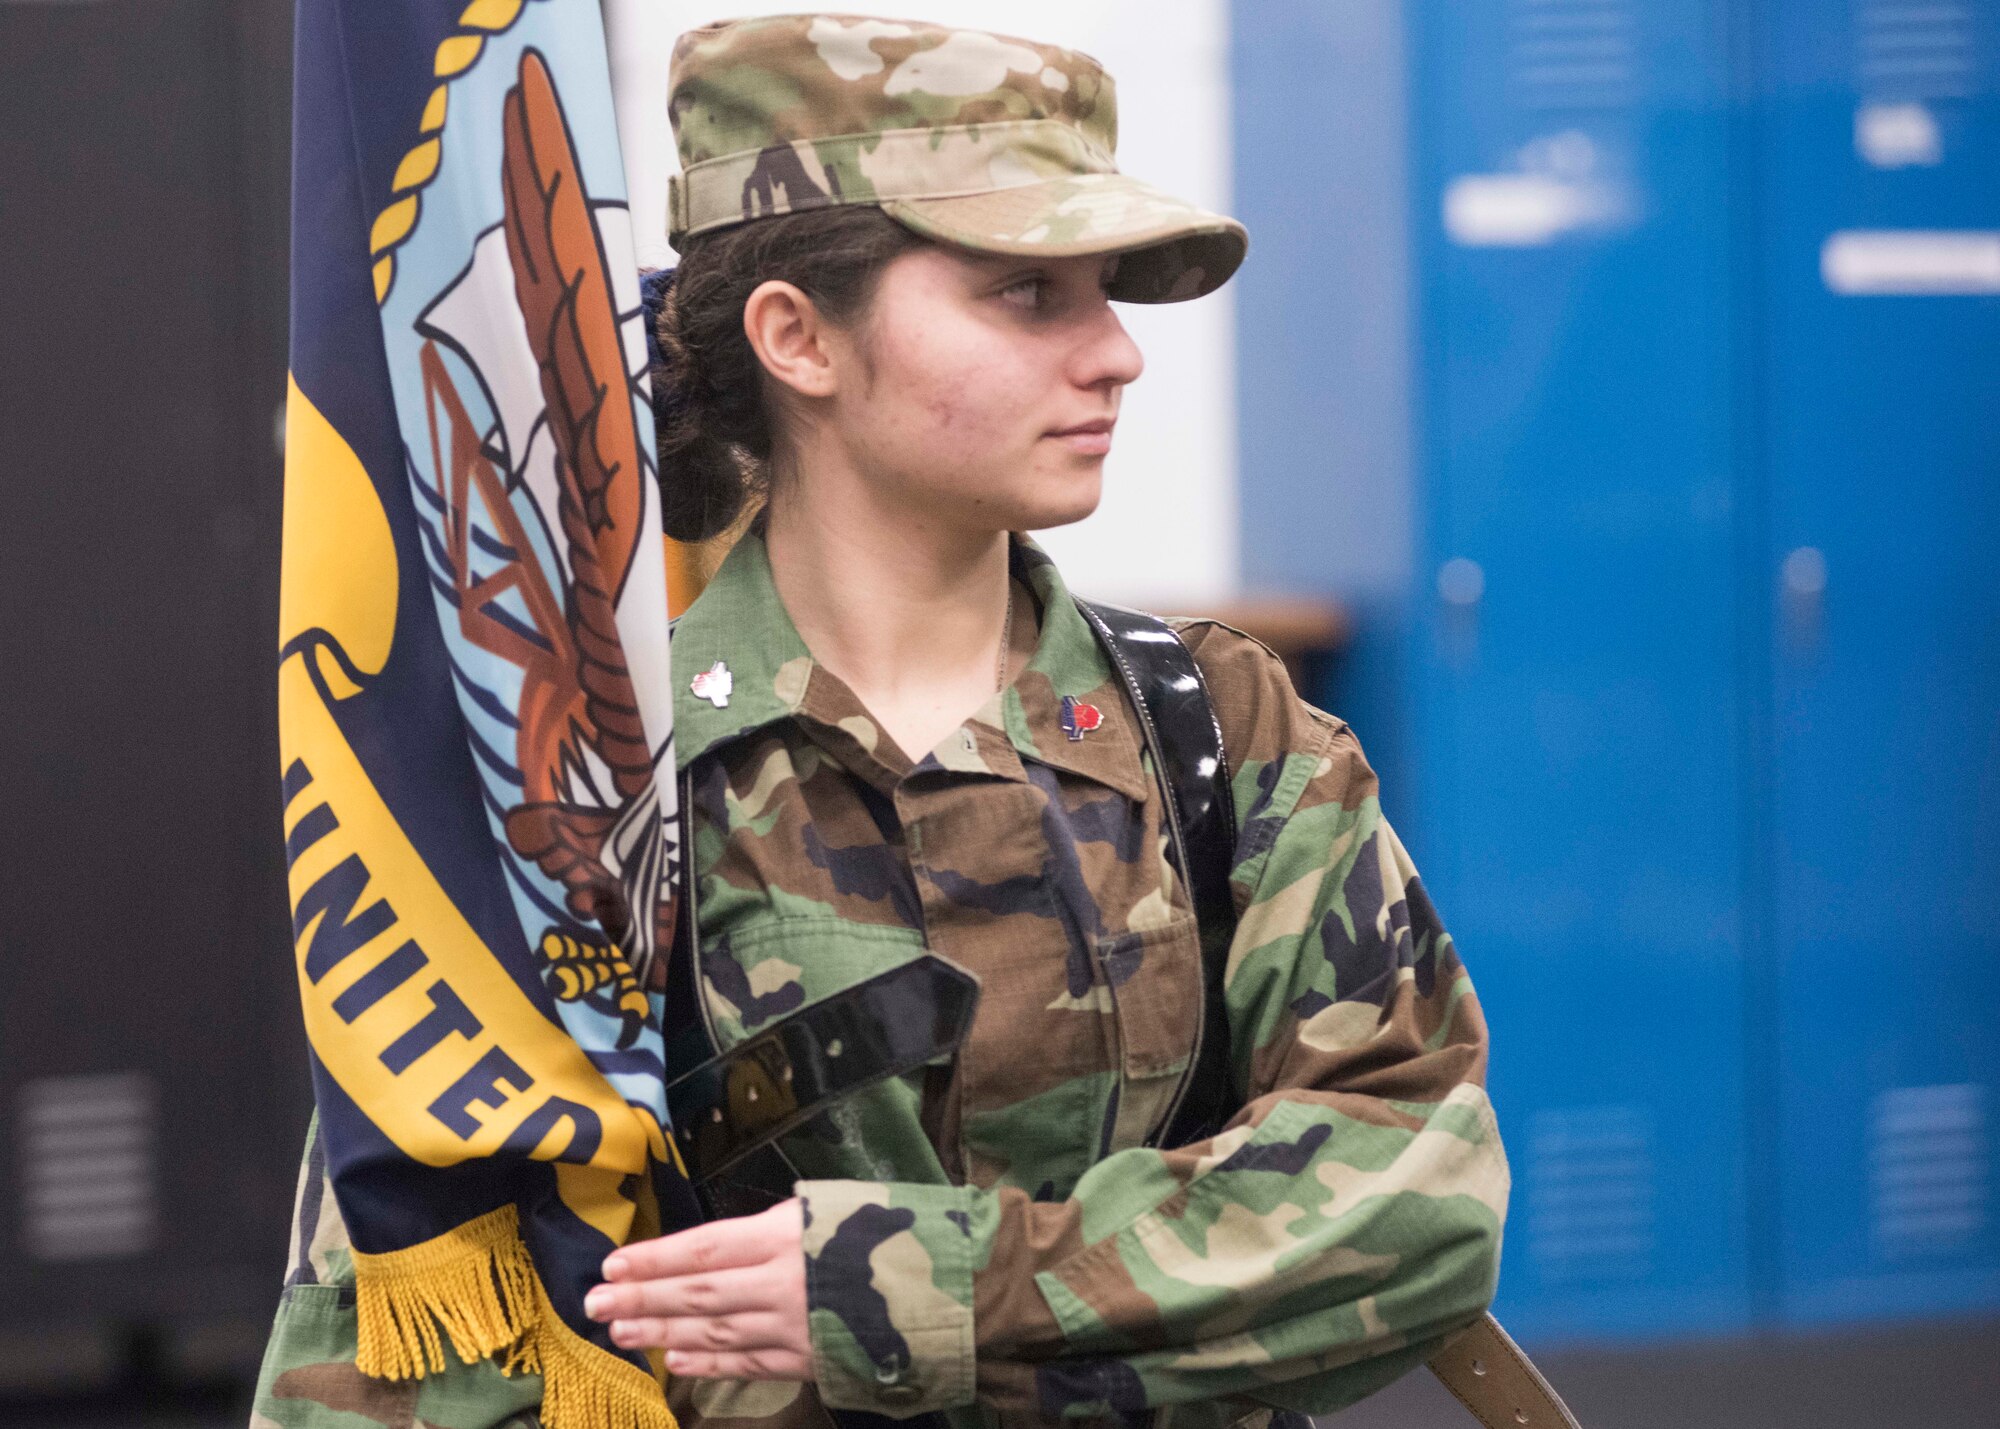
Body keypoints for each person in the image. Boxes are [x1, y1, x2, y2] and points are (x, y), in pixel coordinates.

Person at [252, 14, 1506, 1429]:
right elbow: (404, 1342)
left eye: (1106, 291)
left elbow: (1423, 1199)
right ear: (797, 336)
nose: (1116, 354)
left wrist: (903, 1287)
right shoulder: (591, 800)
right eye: (1029, 293)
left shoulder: (1218, 732)